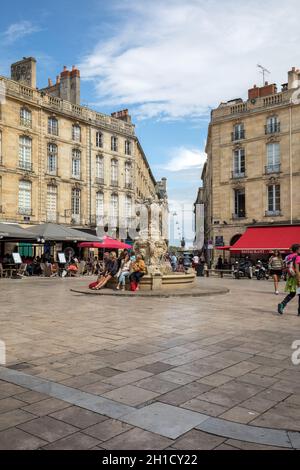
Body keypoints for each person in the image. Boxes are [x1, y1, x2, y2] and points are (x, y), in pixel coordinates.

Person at [278, 244, 300, 315]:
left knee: (292, 293)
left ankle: (282, 304)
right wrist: (298, 279)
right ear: (297, 250)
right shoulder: (298, 257)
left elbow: (286, 266)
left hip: (291, 277)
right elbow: (297, 269)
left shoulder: (288, 256)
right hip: (297, 277)